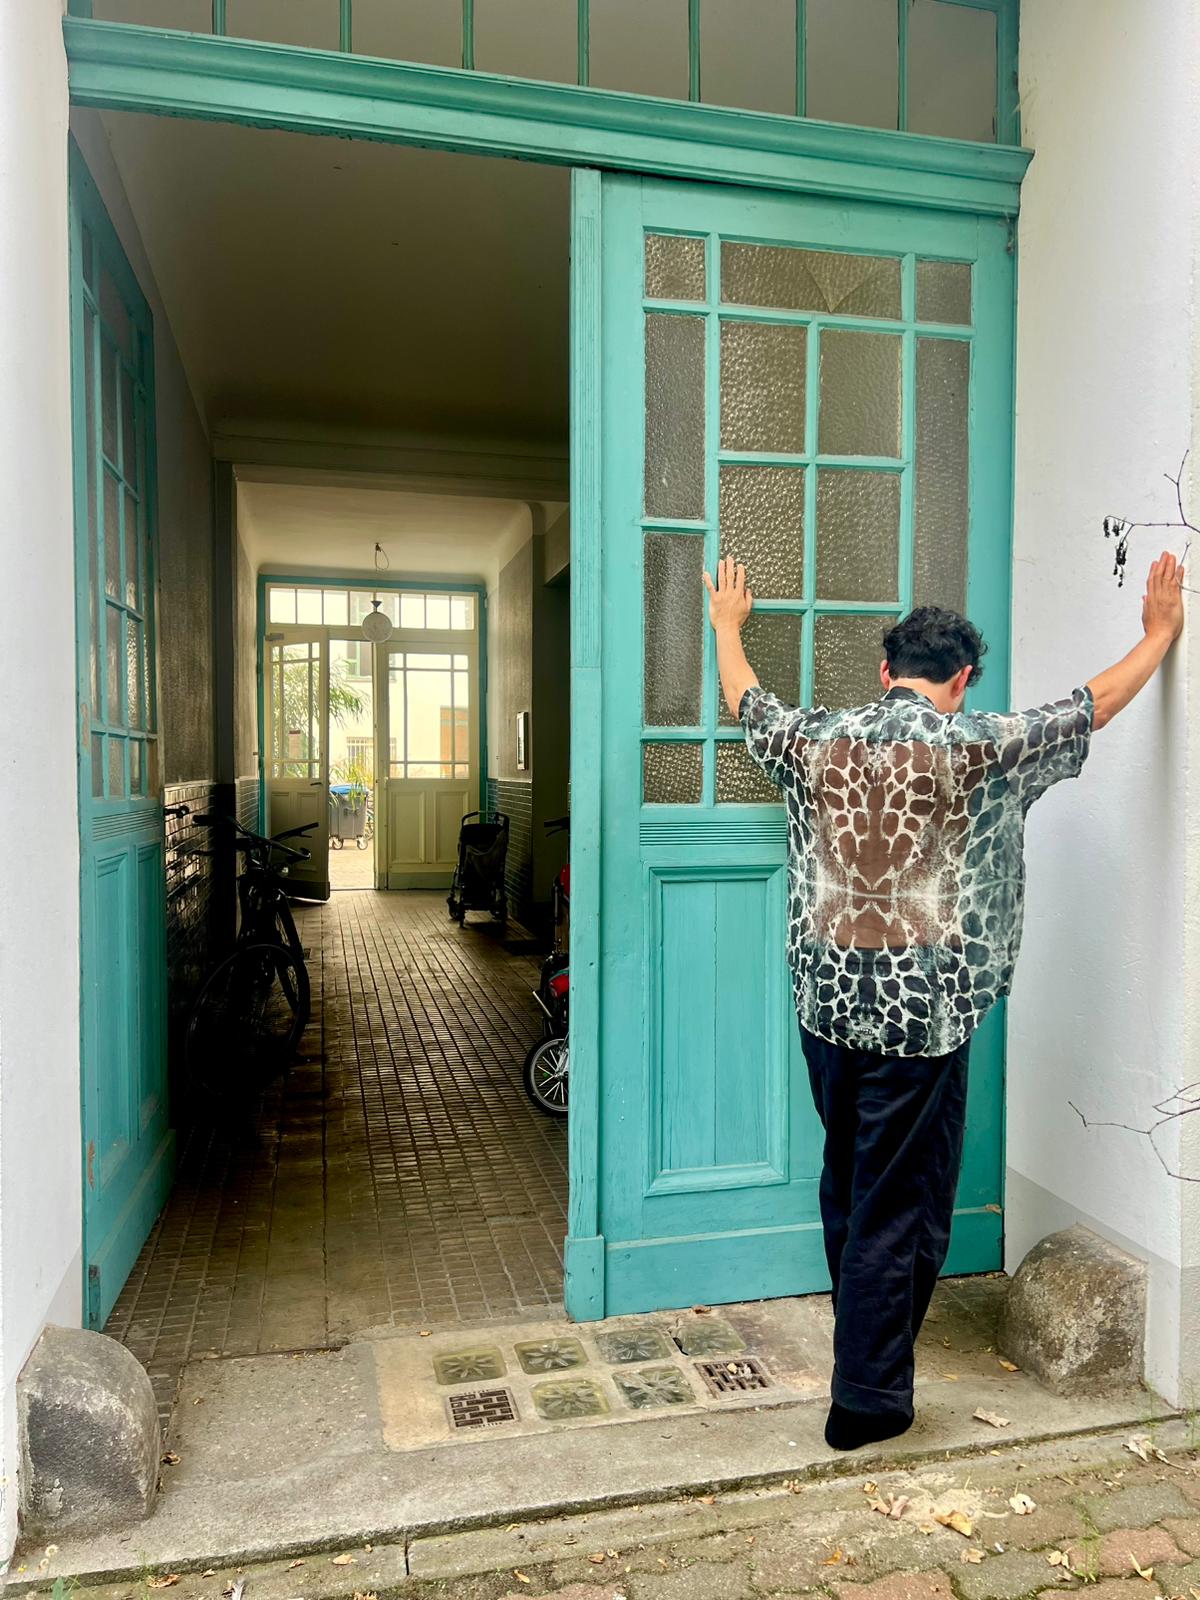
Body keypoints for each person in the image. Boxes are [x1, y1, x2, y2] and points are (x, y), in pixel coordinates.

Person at [703, 552, 1186, 1452]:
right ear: (960, 678)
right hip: (921, 1025)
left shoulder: (817, 741)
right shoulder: (983, 746)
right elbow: (1093, 704)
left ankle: (864, 1350)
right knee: (901, 1205)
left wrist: (728, 625)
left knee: (849, 1183)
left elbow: (747, 704)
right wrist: (1157, 634)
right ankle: (867, 1402)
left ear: (886, 671)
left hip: (827, 1015)